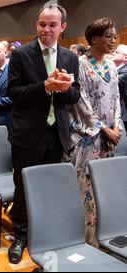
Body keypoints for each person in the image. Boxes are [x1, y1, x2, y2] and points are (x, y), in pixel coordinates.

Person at [7, 3, 80, 264]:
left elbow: (75, 95)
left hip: (56, 133)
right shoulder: (21, 55)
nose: (45, 29)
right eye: (41, 24)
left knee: (49, 186)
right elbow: (13, 93)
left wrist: (63, 88)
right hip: (27, 133)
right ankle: (20, 236)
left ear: (63, 27)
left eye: (52, 25)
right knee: (23, 188)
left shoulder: (71, 58)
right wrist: (45, 87)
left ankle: (45, 233)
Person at [67, 18, 122, 247]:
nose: (113, 40)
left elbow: (117, 99)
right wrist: (104, 129)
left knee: (105, 189)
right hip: (88, 139)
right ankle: (87, 242)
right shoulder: (80, 64)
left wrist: (117, 125)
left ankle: (105, 237)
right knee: (86, 191)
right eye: (108, 36)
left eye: (115, 35)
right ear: (93, 39)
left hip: (109, 139)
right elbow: (81, 102)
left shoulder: (111, 64)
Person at [110, 44, 127, 128]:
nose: (113, 53)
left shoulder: (126, 70)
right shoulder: (114, 68)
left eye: (117, 52)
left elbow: (111, 82)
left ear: (125, 58)